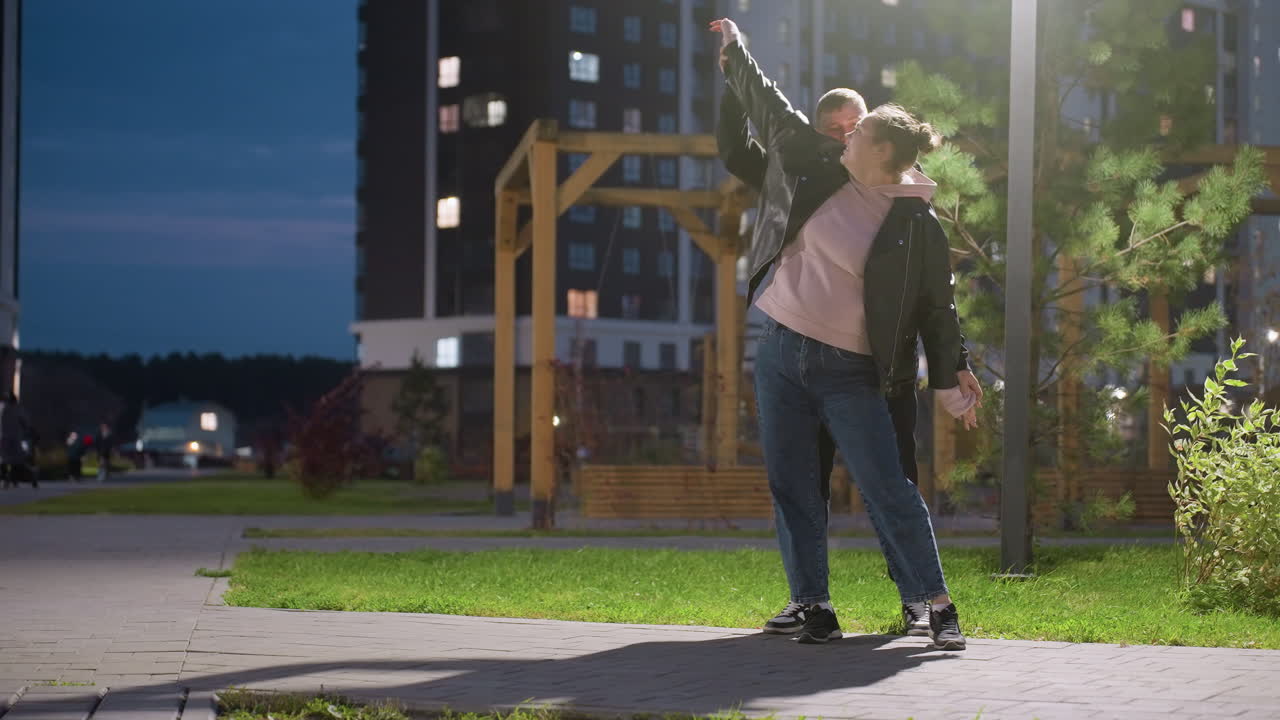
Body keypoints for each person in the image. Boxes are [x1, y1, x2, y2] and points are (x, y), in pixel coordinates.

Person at [713, 17, 980, 650]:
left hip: (850, 369)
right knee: (792, 484)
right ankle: (813, 606)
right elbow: (769, 105)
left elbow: (937, 307)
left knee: (888, 486)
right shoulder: (812, 163)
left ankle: (937, 606)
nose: (844, 136)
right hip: (779, 350)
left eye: (857, 133)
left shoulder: (916, 224)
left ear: (883, 157)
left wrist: (951, 368)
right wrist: (735, 53)